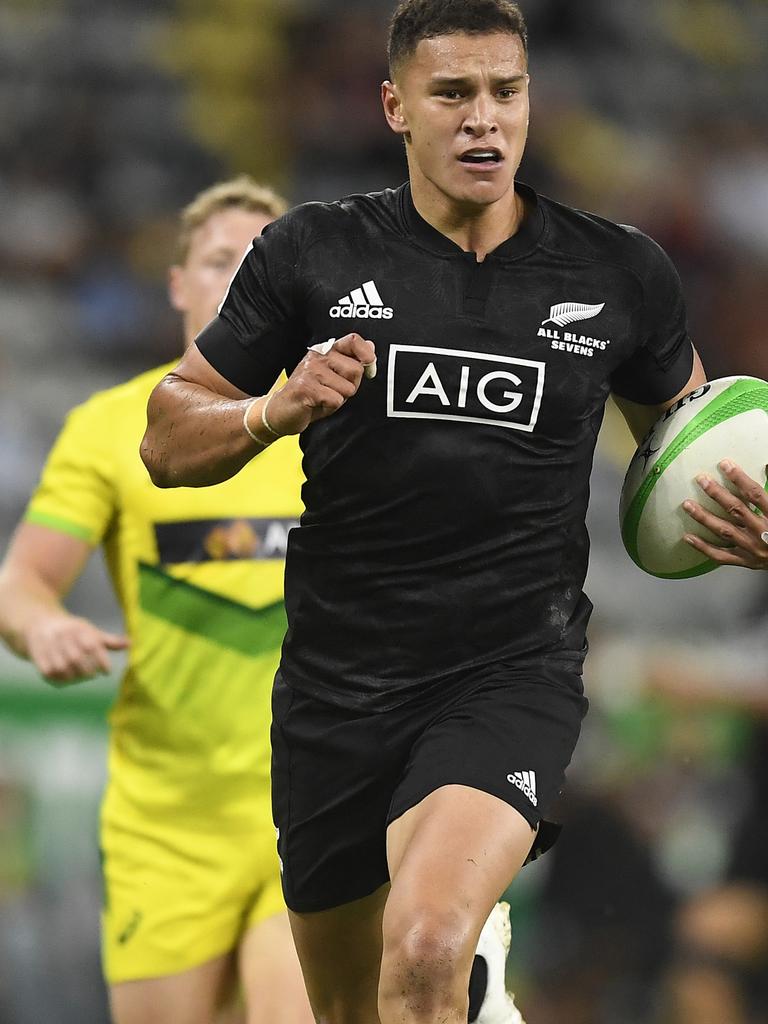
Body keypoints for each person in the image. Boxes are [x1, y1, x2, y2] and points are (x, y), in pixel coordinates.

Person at [139, 1, 711, 1021]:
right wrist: (275, 407)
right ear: (397, 107)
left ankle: (462, 961)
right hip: (336, 691)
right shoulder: (311, 253)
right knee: (363, 1007)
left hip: (507, 672)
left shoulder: (618, 273)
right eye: (453, 94)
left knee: (429, 942)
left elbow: (690, 445)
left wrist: (741, 520)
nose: (484, 118)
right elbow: (167, 435)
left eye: (507, 92)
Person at [0, 177, 314, 1024]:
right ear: (177, 284)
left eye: (261, 262)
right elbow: (21, 582)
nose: (239, 277)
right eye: (219, 260)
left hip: (315, 806)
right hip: (167, 821)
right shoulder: (109, 427)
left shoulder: (337, 426)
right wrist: (46, 626)